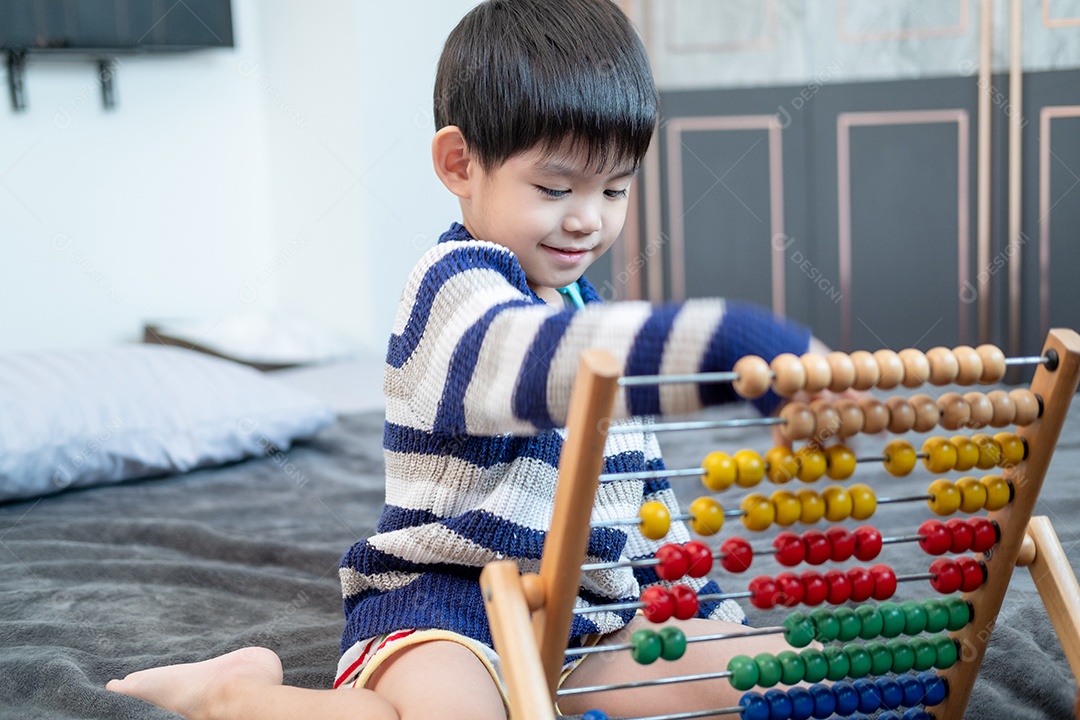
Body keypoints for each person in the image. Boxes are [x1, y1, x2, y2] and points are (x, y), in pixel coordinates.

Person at [107, 1, 822, 718]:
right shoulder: (453, 290)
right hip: (449, 610)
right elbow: (530, 364)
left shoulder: (583, 313)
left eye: (615, 188)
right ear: (460, 163)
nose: (588, 218)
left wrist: (702, 616)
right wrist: (733, 339)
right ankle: (234, 693)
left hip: (585, 627)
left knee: (778, 677)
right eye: (554, 187)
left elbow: (646, 497)